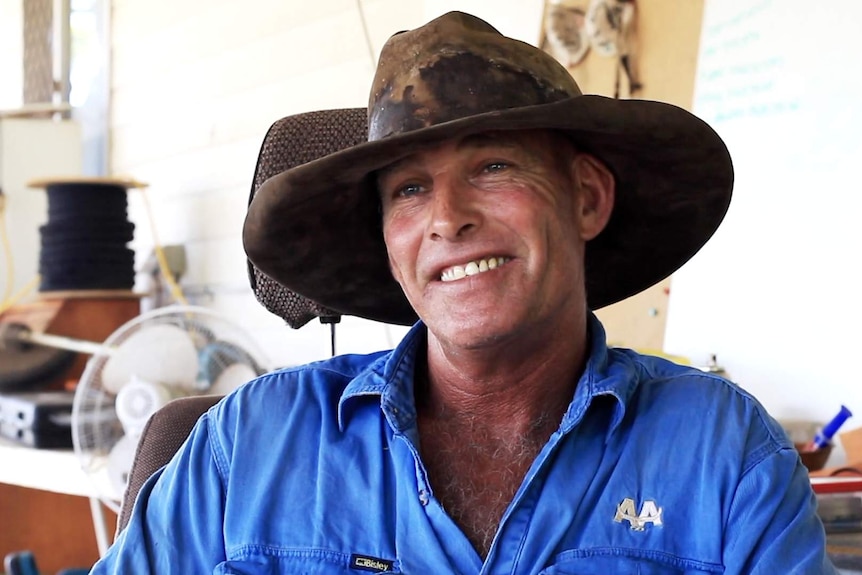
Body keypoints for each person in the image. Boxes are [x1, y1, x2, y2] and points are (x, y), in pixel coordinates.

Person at [92, 11, 836, 574]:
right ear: (387, 239)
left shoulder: (723, 454)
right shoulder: (251, 441)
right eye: (411, 189)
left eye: (493, 168)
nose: (447, 217)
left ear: (585, 197)